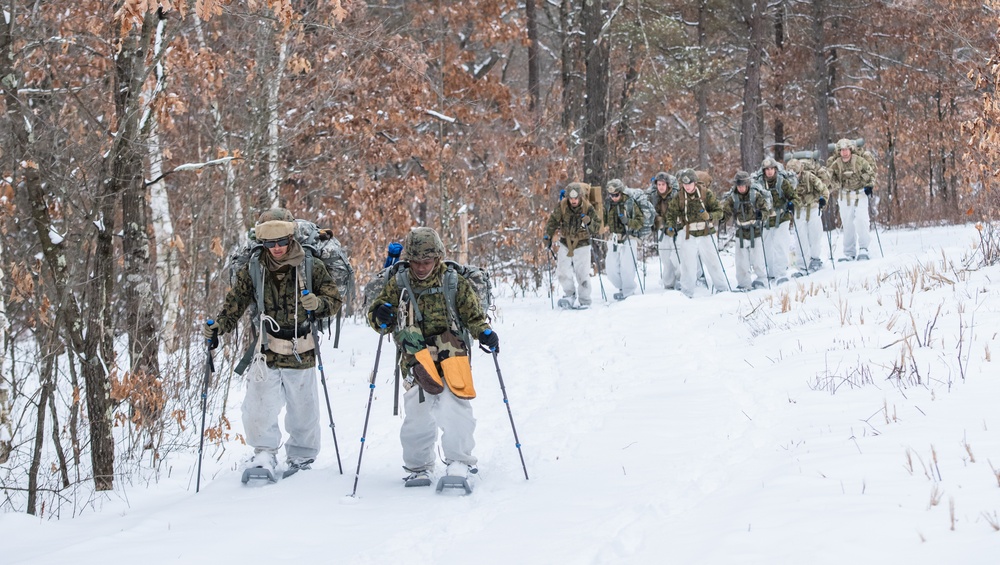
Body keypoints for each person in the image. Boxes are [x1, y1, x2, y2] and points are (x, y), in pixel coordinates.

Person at [203, 208, 343, 478]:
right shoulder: (254, 266)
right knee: (259, 405)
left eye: (281, 242)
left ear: (291, 238)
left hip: (301, 345)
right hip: (266, 347)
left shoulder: (310, 264)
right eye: (270, 243)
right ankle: (264, 454)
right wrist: (220, 326)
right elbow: (236, 302)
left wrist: (319, 304)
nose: (276, 248)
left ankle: (302, 457)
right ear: (262, 242)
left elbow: (334, 300)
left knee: (303, 408)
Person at [367, 227, 496, 487]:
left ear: (437, 257)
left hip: (452, 352)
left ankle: (459, 461)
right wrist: (380, 314)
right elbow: (377, 314)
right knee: (417, 409)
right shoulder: (399, 282)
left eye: (427, 262)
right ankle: (418, 466)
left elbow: (472, 314)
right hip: (415, 354)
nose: (422, 267)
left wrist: (484, 332)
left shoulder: (453, 280)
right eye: (416, 262)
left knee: (455, 403)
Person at [666, 169, 729, 296]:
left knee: (713, 262)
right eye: (685, 184)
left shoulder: (706, 193)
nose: (687, 187)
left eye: (689, 184)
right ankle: (687, 292)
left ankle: (722, 289)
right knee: (688, 265)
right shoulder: (678, 197)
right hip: (689, 234)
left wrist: (709, 215)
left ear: (695, 182)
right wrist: (671, 226)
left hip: (706, 232)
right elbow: (671, 214)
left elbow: (720, 212)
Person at [544, 182, 602, 309]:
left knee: (582, 273)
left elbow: (597, 226)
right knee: (562, 271)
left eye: (576, 198)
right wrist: (548, 236)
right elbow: (553, 221)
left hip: (583, 244)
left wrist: (589, 221)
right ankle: (569, 295)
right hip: (565, 242)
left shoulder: (588, 207)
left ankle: (585, 299)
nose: (573, 201)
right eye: (571, 198)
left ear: (580, 197)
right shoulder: (562, 206)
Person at [721, 171, 772, 291]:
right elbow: (726, 211)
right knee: (741, 261)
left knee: (758, 259)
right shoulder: (733, 197)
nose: (741, 188)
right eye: (738, 186)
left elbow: (766, 210)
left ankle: (762, 280)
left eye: (743, 185)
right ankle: (744, 283)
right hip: (741, 232)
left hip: (755, 231)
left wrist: (761, 215)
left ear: (747, 184)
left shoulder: (755, 195)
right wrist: (721, 217)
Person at [827, 138, 875, 261]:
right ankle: (849, 252)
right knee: (847, 224)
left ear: (851, 149)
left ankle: (864, 248)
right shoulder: (836, 163)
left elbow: (871, 173)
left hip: (860, 194)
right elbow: (829, 177)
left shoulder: (859, 161)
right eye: (842, 150)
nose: (845, 152)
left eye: (847, 149)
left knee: (861, 220)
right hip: (844, 196)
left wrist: (870, 186)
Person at [756, 157, 799, 281]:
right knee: (767, 247)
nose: (769, 171)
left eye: (771, 169)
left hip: (782, 218)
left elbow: (794, 197)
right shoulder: (759, 184)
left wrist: (791, 204)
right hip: (767, 220)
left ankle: (781, 274)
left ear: (775, 169)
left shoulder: (782, 182)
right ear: (763, 171)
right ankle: (771, 274)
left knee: (780, 245)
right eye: (767, 169)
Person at [786, 159, 830, 274]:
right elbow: (785, 195)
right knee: (800, 238)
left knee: (815, 235)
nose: (795, 176)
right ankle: (802, 266)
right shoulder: (787, 181)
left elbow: (824, 189)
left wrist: (823, 200)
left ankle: (815, 259)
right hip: (799, 211)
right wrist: (788, 204)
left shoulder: (809, 177)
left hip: (813, 208)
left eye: (796, 173)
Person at [603, 179, 644, 300]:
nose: (614, 197)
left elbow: (640, 221)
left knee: (627, 266)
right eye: (611, 195)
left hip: (629, 237)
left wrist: (628, 222)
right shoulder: (608, 204)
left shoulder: (630, 203)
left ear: (620, 192)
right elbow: (603, 221)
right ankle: (621, 287)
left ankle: (628, 291)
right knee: (610, 267)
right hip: (615, 238)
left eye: (616, 195)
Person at [647, 171, 681, 290]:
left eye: (663, 184)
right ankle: (668, 283)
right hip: (662, 230)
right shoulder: (653, 196)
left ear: (667, 185)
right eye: (659, 184)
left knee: (677, 257)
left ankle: (681, 279)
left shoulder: (676, 195)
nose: (661, 187)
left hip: (676, 229)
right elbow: (650, 212)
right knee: (665, 256)